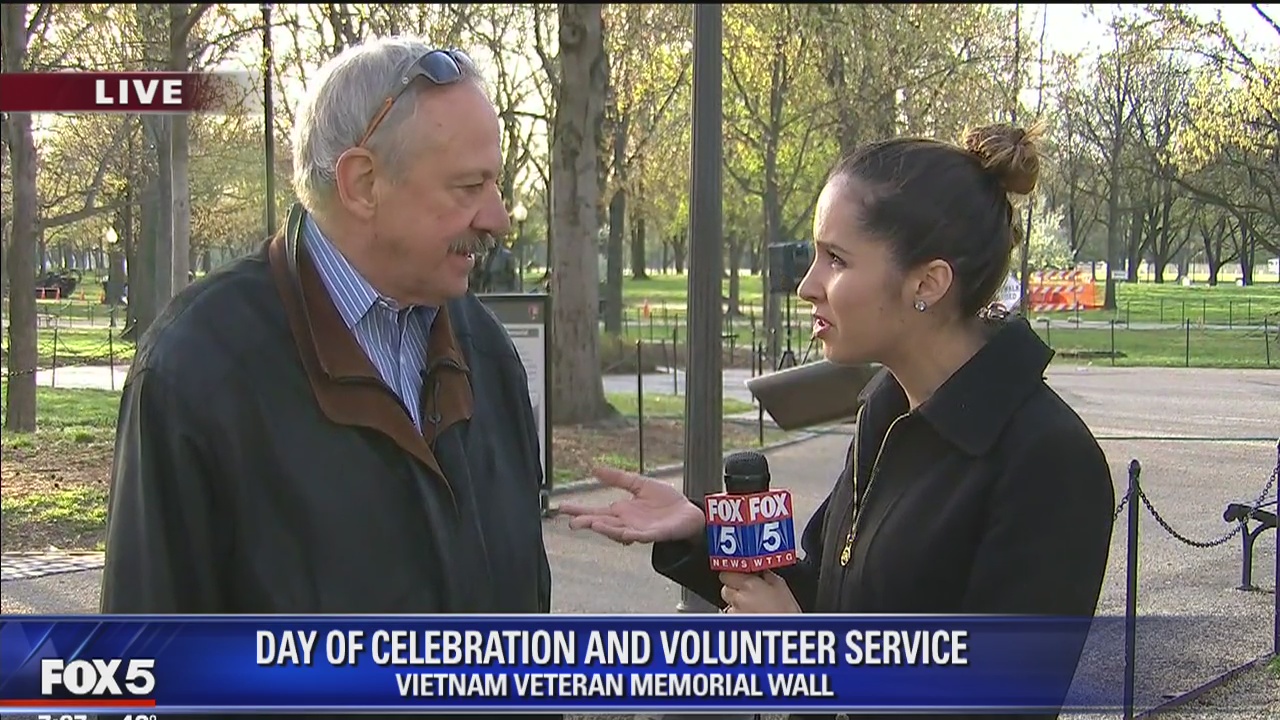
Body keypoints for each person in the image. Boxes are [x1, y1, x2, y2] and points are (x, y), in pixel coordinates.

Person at [561, 124, 1116, 720]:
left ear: (927, 283)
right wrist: (706, 535)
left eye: (837, 260)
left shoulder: (1048, 463)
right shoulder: (886, 409)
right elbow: (827, 597)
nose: (808, 286)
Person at [103, 38, 552, 629]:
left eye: (495, 186)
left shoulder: (488, 352)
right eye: (468, 187)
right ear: (363, 183)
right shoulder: (196, 371)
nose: (497, 218)